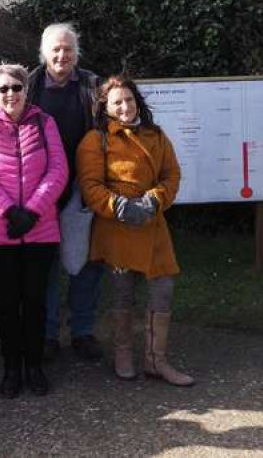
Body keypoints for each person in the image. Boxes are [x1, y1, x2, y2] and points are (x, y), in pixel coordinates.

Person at [77, 75, 194, 386]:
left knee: (164, 289)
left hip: (153, 226)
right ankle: (123, 354)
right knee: (122, 293)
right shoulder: (95, 140)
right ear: (106, 107)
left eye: (129, 100)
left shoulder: (156, 135)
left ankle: (157, 361)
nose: (125, 106)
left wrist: (154, 201)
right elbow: (90, 186)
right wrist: (119, 206)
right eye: (117, 102)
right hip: (117, 229)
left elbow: (172, 175)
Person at [0, 63, 68, 398]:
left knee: (36, 301)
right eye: (3, 89)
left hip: (40, 230)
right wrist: (9, 211)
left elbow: (58, 169)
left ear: (27, 90)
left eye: (16, 87)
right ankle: (12, 367)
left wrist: (34, 211)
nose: (11, 93)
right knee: (7, 304)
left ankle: (35, 365)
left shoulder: (45, 123)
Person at [28, 23, 104, 363]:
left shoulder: (92, 85)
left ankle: (82, 331)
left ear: (77, 53)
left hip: (81, 187)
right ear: (44, 52)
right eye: (56, 49)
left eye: (68, 49)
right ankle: (46, 333)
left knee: (86, 263)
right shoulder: (27, 84)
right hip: (40, 188)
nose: (62, 56)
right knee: (45, 264)